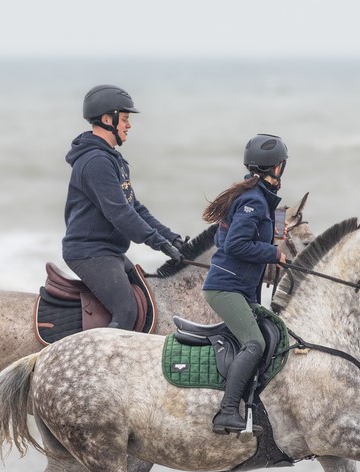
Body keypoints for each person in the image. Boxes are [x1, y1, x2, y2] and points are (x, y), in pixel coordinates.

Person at [62, 84, 185, 330]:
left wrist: (172, 238)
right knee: (126, 310)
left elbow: (135, 207)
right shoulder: (96, 162)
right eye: (125, 119)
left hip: (108, 250)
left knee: (148, 296)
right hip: (90, 253)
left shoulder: (112, 159)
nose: (129, 125)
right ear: (108, 119)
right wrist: (159, 244)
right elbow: (120, 214)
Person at [202, 133, 290, 434]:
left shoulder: (253, 198)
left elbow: (222, 238)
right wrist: (273, 252)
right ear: (277, 168)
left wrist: (272, 237)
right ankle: (226, 412)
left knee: (267, 337)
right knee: (256, 342)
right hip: (225, 289)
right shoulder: (252, 200)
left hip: (238, 287)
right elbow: (236, 245)